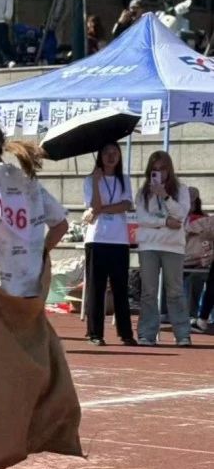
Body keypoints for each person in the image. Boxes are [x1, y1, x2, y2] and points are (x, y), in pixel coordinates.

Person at [0, 121, 81, 469]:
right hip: (30, 282)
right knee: (36, 356)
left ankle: (1, 442)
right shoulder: (25, 176)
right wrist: (40, 252)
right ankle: (51, 426)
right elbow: (60, 224)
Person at [82, 143, 136, 346]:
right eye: (106, 152)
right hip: (97, 238)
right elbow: (94, 205)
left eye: (115, 152)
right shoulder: (90, 180)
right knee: (96, 288)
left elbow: (126, 205)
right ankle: (94, 333)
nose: (111, 156)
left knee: (120, 287)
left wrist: (102, 209)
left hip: (119, 240)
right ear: (100, 156)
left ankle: (125, 333)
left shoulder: (124, 179)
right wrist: (97, 183)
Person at [135, 151, 191, 346]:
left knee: (175, 291)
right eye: (155, 170)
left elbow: (181, 214)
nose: (159, 173)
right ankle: (147, 334)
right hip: (148, 245)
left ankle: (182, 334)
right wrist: (165, 222)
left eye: (163, 169)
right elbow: (142, 218)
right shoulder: (143, 192)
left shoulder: (181, 189)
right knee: (148, 292)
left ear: (170, 169)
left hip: (173, 246)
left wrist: (165, 196)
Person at [185, 191, 214, 333]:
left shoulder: (204, 218)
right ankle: (201, 318)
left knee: (201, 278)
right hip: (189, 259)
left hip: (201, 261)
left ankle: (201, 318)